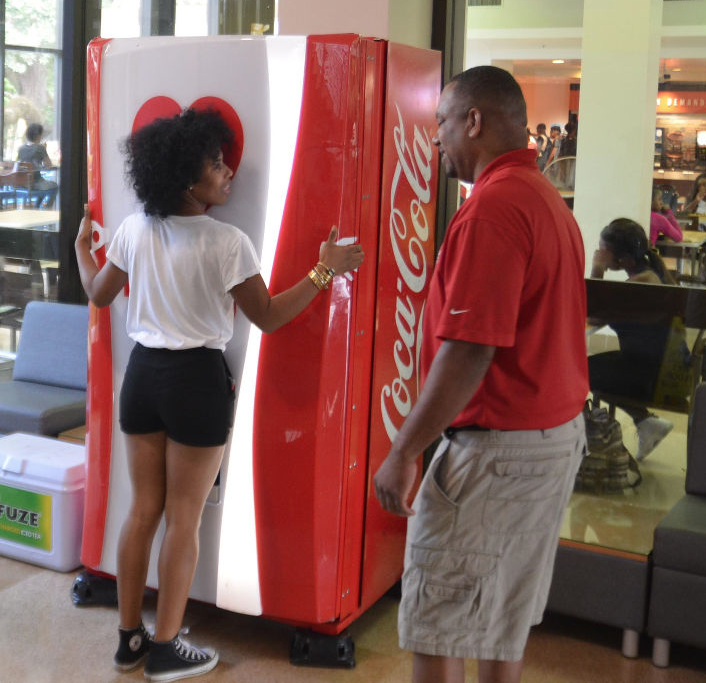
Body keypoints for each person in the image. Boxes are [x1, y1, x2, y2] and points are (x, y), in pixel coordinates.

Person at [74, 108, 364, 682]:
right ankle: (164, 648)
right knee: (184, 518)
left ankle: (129, 641)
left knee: (141, 513)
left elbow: (98, 294)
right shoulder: (227, 242)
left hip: (142, 378)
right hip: (196, 383)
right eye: (215, 164)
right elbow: (271, 317)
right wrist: (325, 272)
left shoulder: (134, 229)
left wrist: (82, 245)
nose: (229, 170)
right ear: (187, 179)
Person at [373, 66, 588, 683]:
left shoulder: (493, 210)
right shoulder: (545, 199)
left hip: (498, 452)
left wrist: (404, 450)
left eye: (440, 121)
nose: (434, 136)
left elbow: (469, 350)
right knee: (497, 628)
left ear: (474, 121)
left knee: (439, 621)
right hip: (547, 443)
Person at [589, 218, 690, 460]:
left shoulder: (640, 284)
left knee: (579, 369)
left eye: (603, 251)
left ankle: (640, 423)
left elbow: (591, 313)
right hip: (668, 368)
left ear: (623, 260)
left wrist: (598, 269)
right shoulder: (652, 273)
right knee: (589, 366)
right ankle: (645, 422)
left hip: (656, 378)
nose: (598, 253)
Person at [16, 122, 58, 205]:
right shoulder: (40, 147)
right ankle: (46, 208)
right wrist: (44, 150)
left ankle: (37, 207)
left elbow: (19, 164)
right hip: (35, 183)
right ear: (38, 136)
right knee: (55, 186)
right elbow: (48, 166)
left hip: (22, 184)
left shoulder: (21, 148)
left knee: (45, 185)